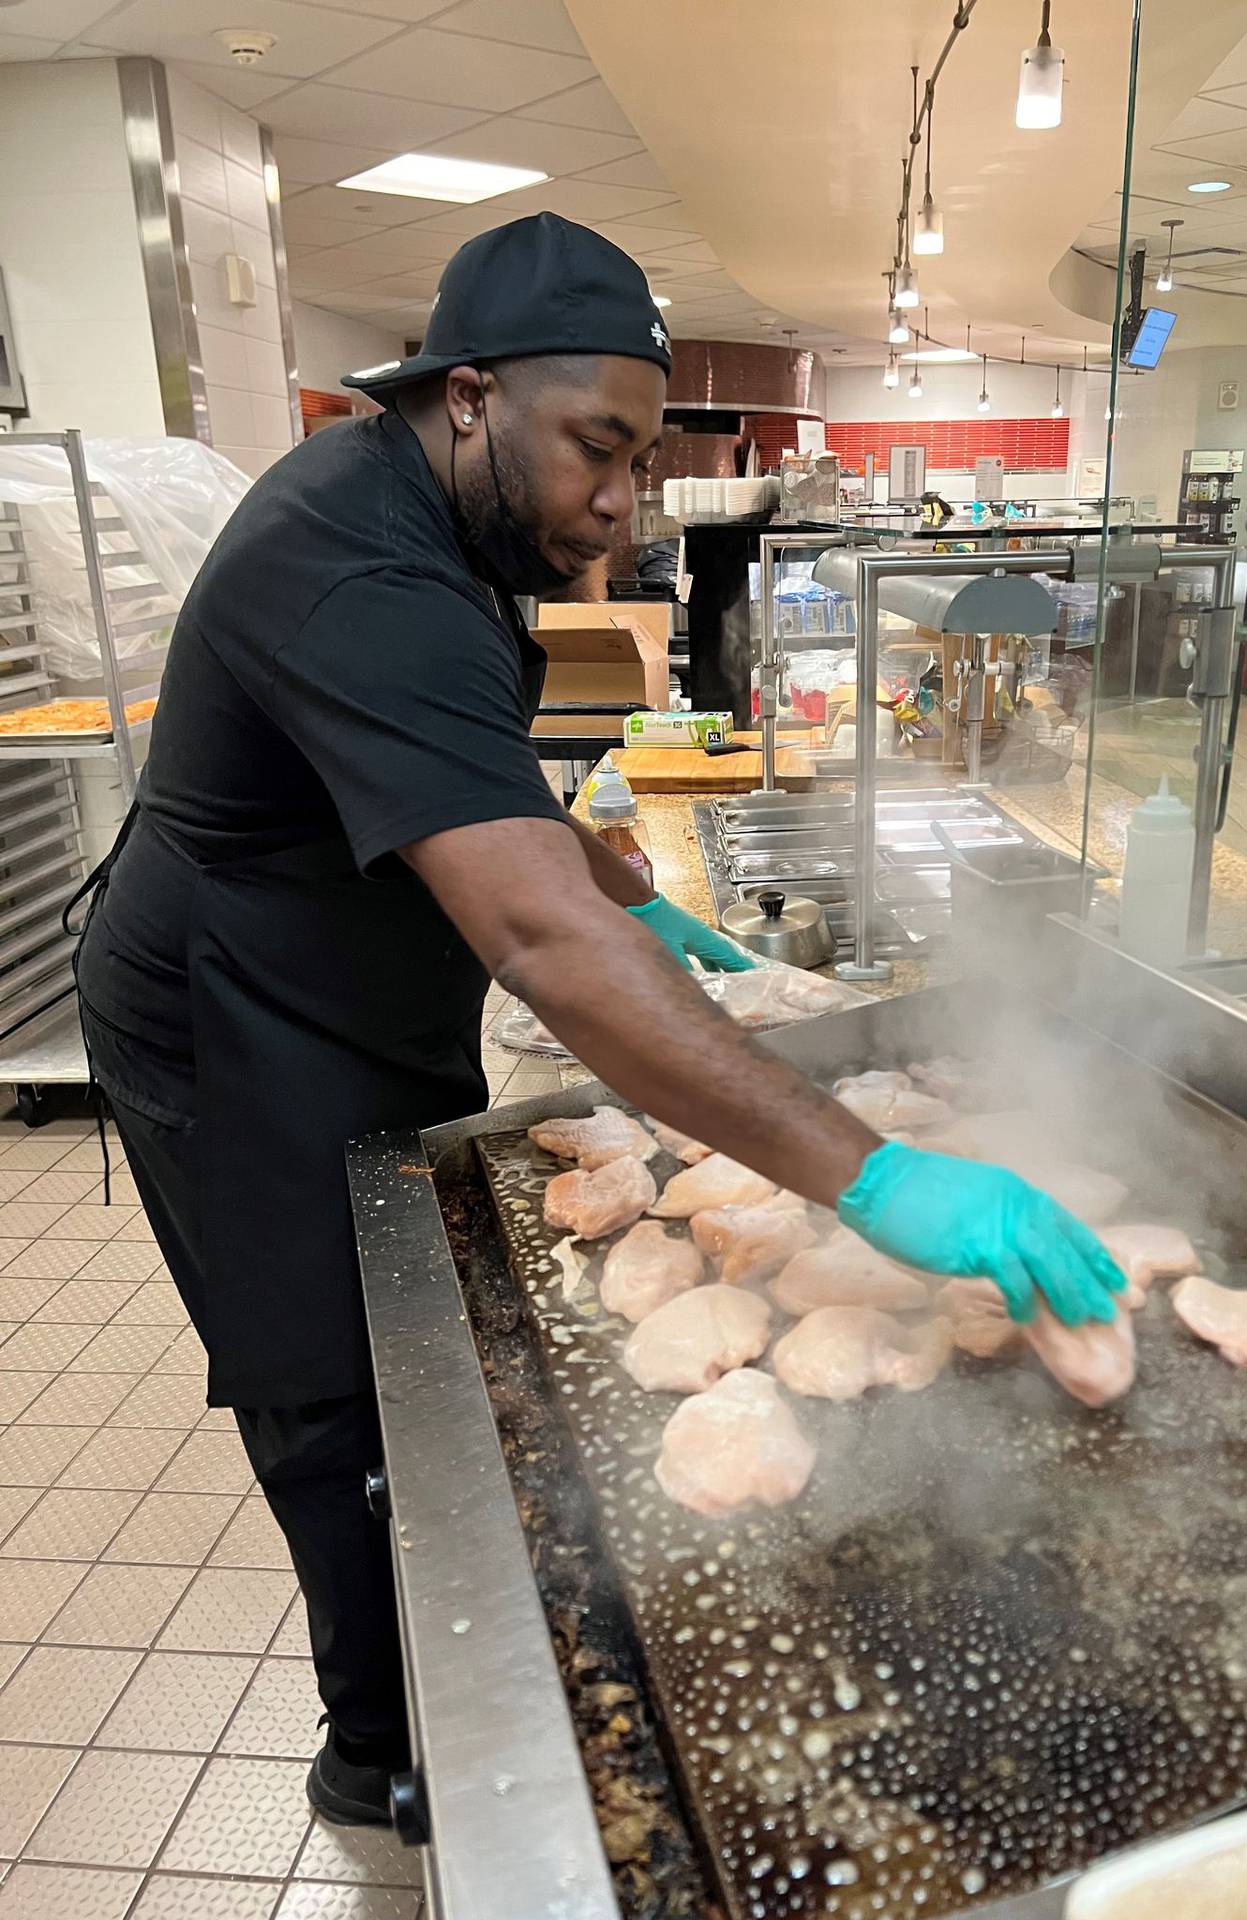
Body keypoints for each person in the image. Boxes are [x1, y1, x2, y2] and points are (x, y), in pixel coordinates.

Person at [73, 213, 1125, 1829]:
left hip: (360, 968)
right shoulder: (353, 563)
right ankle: (381, 1753)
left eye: (643, 458)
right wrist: (871, 1178)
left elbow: (468, 795)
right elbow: (535, 940)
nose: (623, 504)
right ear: (472, 395)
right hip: (231, 1011)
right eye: (601, 449)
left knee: (411, 1323)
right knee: (333, 1381)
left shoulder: (438, 525)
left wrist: (619, 881)